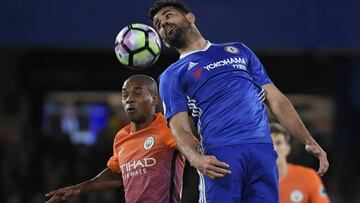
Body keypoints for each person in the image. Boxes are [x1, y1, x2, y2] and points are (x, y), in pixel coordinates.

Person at [149, 1, 329, 202]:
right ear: (164, 42)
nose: (163, 23)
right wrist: (195, 158)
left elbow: (276, 99)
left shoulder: (238, 50)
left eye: (168, 15)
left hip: (262, 150)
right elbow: (178, 128)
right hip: (221, 154)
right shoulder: (171, 75)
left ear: (190, 17)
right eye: (157, 24)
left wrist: (308, 140)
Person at [45, 74, 185, 203]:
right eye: (125, 95)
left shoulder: (169, 128)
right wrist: (79, 188)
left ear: (154, 98)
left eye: (137, 93)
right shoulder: (121, 137)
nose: (129, 99)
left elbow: (196, 150)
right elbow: (117, 173)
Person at [270, 122, 330, 203]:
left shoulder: (308, 177)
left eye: (278, 143)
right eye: (269, 144)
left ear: (287, 149)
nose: (274, 148)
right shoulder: (251, 180)